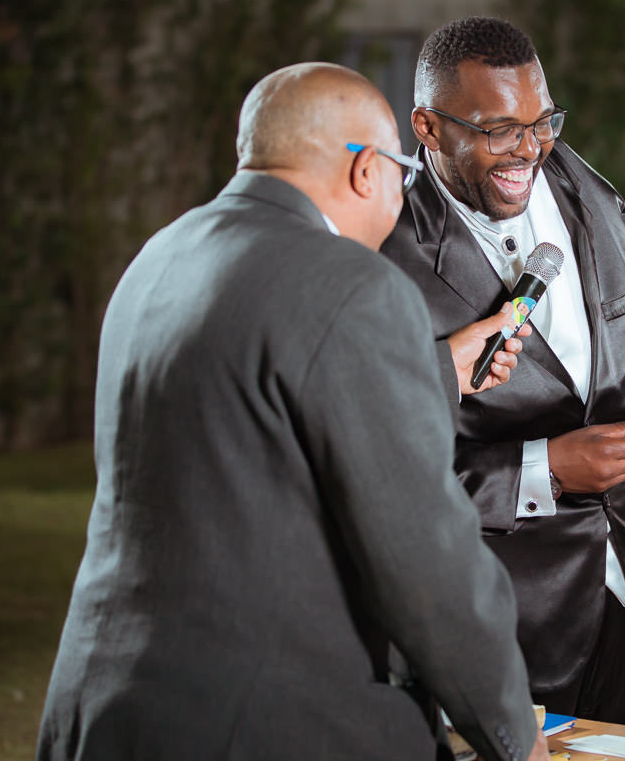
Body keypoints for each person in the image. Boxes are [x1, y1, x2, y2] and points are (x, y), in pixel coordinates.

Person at [36, 63, 551, 761]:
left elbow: (245, 429)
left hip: (110, 706)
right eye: (401, 175)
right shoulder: (353, 283)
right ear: (366, 170)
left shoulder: (161, 256)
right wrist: (510, 732)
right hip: (266, 719)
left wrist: (435, 370)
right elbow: (425, 556)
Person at [380, 16, 625, 728]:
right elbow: (376, 472)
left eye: (542, 122)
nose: (530, 149)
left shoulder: (589, 192)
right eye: (501, 129)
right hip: (491, 621)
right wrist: (546, 471)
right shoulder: (384, 253)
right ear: (428, 128)